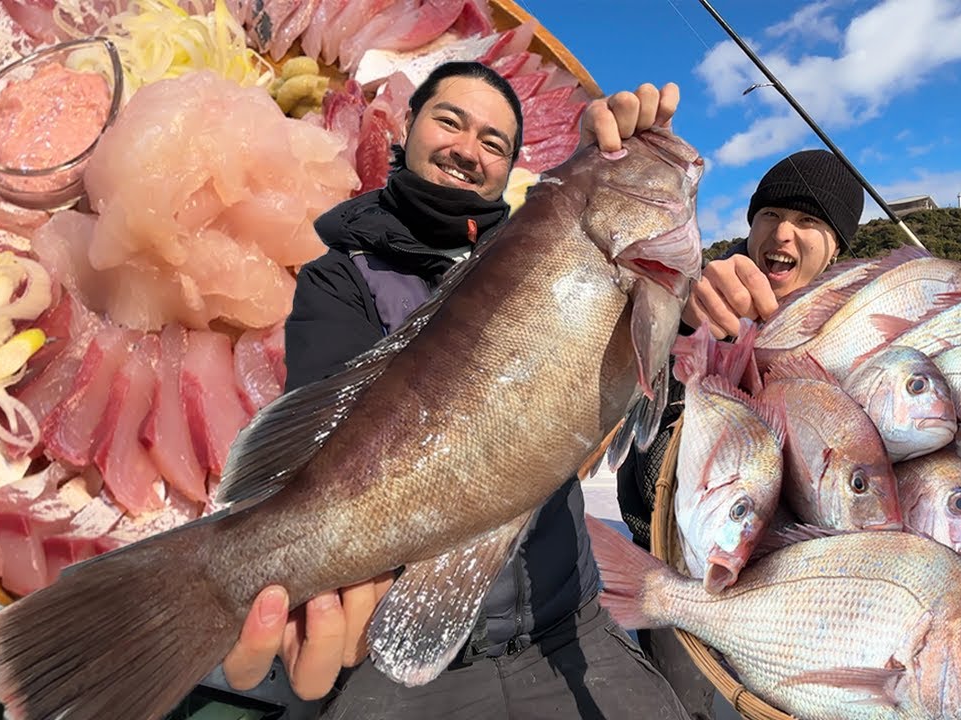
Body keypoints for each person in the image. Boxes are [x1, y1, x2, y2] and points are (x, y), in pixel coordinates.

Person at [214, 61, 690, 719]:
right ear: (405, 132)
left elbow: (630, 336)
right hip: (389, 667)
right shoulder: (338, 275)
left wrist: (597, 164)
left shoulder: (548, 236)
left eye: (494, 142)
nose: (469, 149)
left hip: (573, 628)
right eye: (450, 121)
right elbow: (321, 421)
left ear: (509, 170)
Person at [615, 148, 867, 720]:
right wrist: (683, 318)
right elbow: (623, 392)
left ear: (836, 248)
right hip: (677, 557)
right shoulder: (696, 289)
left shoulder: (846, 327)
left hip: (798, 588)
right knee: (681, 707)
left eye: (809, 223)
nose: (783, 232)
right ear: (750, 224)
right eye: (770, 214)